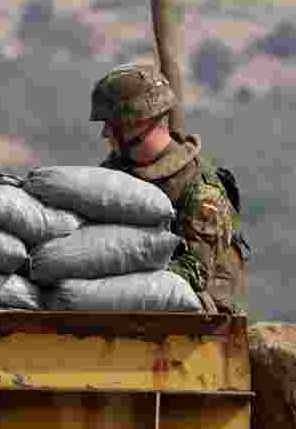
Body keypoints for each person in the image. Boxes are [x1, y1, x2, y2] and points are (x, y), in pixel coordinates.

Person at [89, 62, 248, 312]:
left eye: (111, 123)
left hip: (190, 329)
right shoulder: (115, 173)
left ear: (137, 122)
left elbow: (194, 271)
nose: (105, 133)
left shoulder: (201, 192)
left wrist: (122, 273)